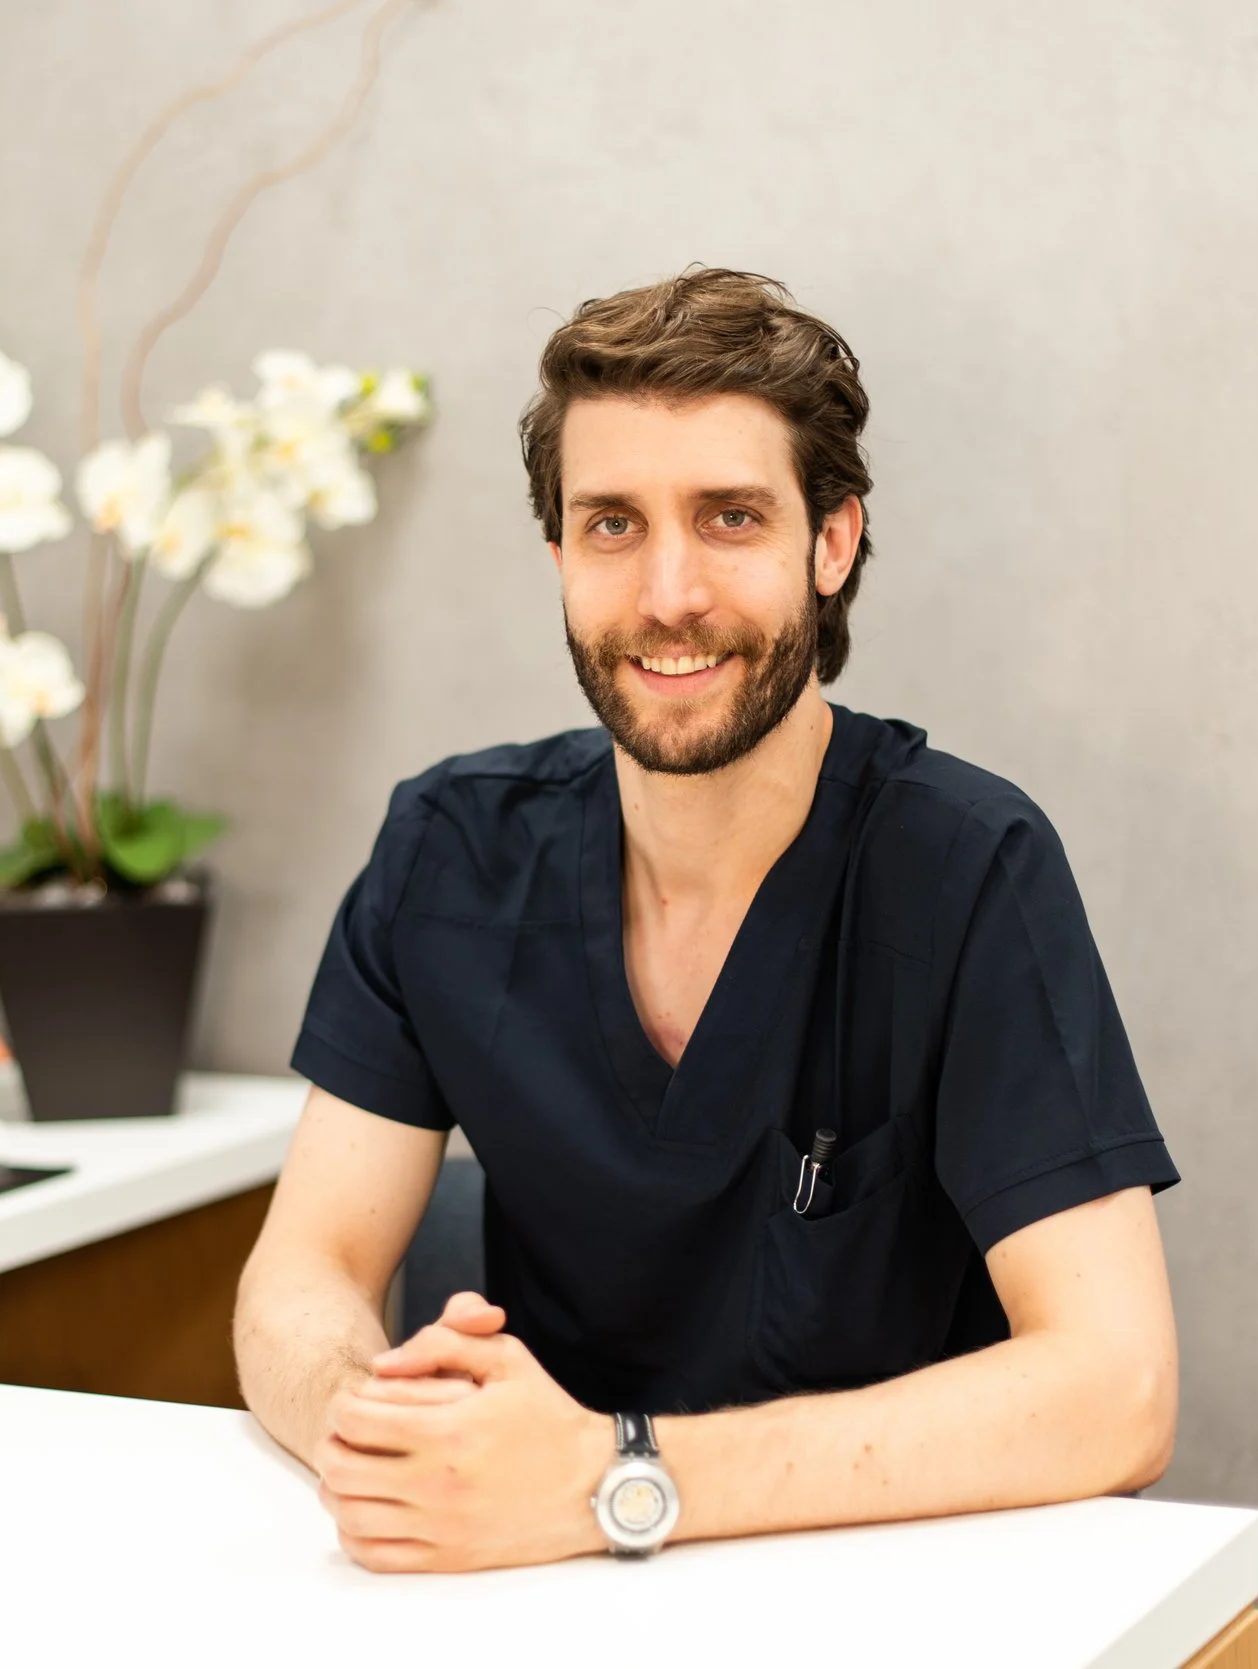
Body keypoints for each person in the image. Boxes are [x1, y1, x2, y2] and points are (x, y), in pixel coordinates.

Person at [234, 268, 1181, 1573]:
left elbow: (1117, 1389)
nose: (669, 593)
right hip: (538, 1598)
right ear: (560, 556)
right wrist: (383, 1432)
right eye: (614, 525)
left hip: (904, 1595)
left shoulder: (965, 870)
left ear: (832, 541)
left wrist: (616, 1478)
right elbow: (300, 1280)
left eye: (730, 517)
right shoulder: (449, 854)